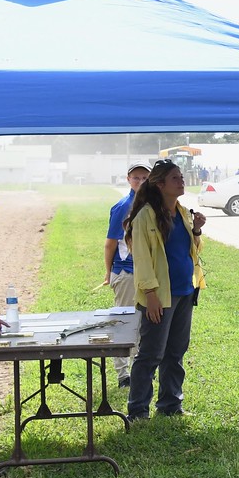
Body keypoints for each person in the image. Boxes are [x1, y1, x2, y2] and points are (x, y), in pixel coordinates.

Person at [127, 160, 205, 419]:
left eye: (181, 177)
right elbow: (142, 260)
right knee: (150, 354)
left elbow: (191, 250)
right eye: (175, 178)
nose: (181, 181)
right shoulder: (145, 216)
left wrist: (196, 230)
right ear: (159, 185)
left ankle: (171, 405)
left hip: (184, 291)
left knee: (176, 351)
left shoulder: (182, 211)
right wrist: (150, 296)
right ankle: (138, 410)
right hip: (159, 295)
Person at [102, 162, 150, 385]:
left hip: (148, 273)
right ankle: (123, 374)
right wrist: (108, 272)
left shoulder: (151, 204)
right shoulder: (123, 206)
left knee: (144, 324)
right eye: (136, 178)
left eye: (144, 178)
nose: (140, 182)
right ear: (128, 179)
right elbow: (110, 244)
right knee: (124, 322)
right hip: (127, 272)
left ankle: (141, 369)